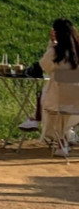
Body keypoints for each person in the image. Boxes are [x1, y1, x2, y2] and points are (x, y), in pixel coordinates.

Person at [40, 19, 79, 156]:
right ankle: (67, 135)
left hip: (57, 101)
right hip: (76, 102)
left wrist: (51, 44)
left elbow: (45, 66)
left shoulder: (55, 53)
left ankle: (61, 140)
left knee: (44, 95)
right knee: (65, 103)